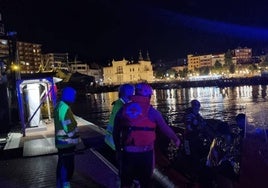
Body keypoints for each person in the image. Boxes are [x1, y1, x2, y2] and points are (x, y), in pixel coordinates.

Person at [113, 82, 181, 188]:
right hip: (145, 155)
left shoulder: (123, 109)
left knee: (125, 183)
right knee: (146, 183)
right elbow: (165, 128)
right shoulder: (152, 112)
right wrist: (176, 139)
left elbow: (116, 132)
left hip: (127, 154)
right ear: (148, 96)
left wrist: (118, 150)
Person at [54, 87, 80, 188]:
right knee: (66, 167)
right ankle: (64, 185)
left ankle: (61, 184)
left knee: (62, 165)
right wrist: (75, 137)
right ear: (69, 95)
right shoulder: (64, 108)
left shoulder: (60, 106)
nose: (75, 97)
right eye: (73, 95)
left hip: (63, 143)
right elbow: (68, 126)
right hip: (66, 143)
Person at [104, 83, 135, 164]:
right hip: (115, 144)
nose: (133, 94)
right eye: (132, 92)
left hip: (110, 141)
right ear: (128, 93)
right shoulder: (122, 106)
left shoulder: (118, 103)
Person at [183, 99, 213, 181]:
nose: (197, 108)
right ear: (192, 107)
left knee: (197, 155)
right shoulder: (189, 116)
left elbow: (204, 123)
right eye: (195, 107)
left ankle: (197, 171)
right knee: (190, 156)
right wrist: (199, 128)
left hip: (196, 139)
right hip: (189, 140)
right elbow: (189, 128)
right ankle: (190, 173)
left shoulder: (198, 116)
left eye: (198, 107)